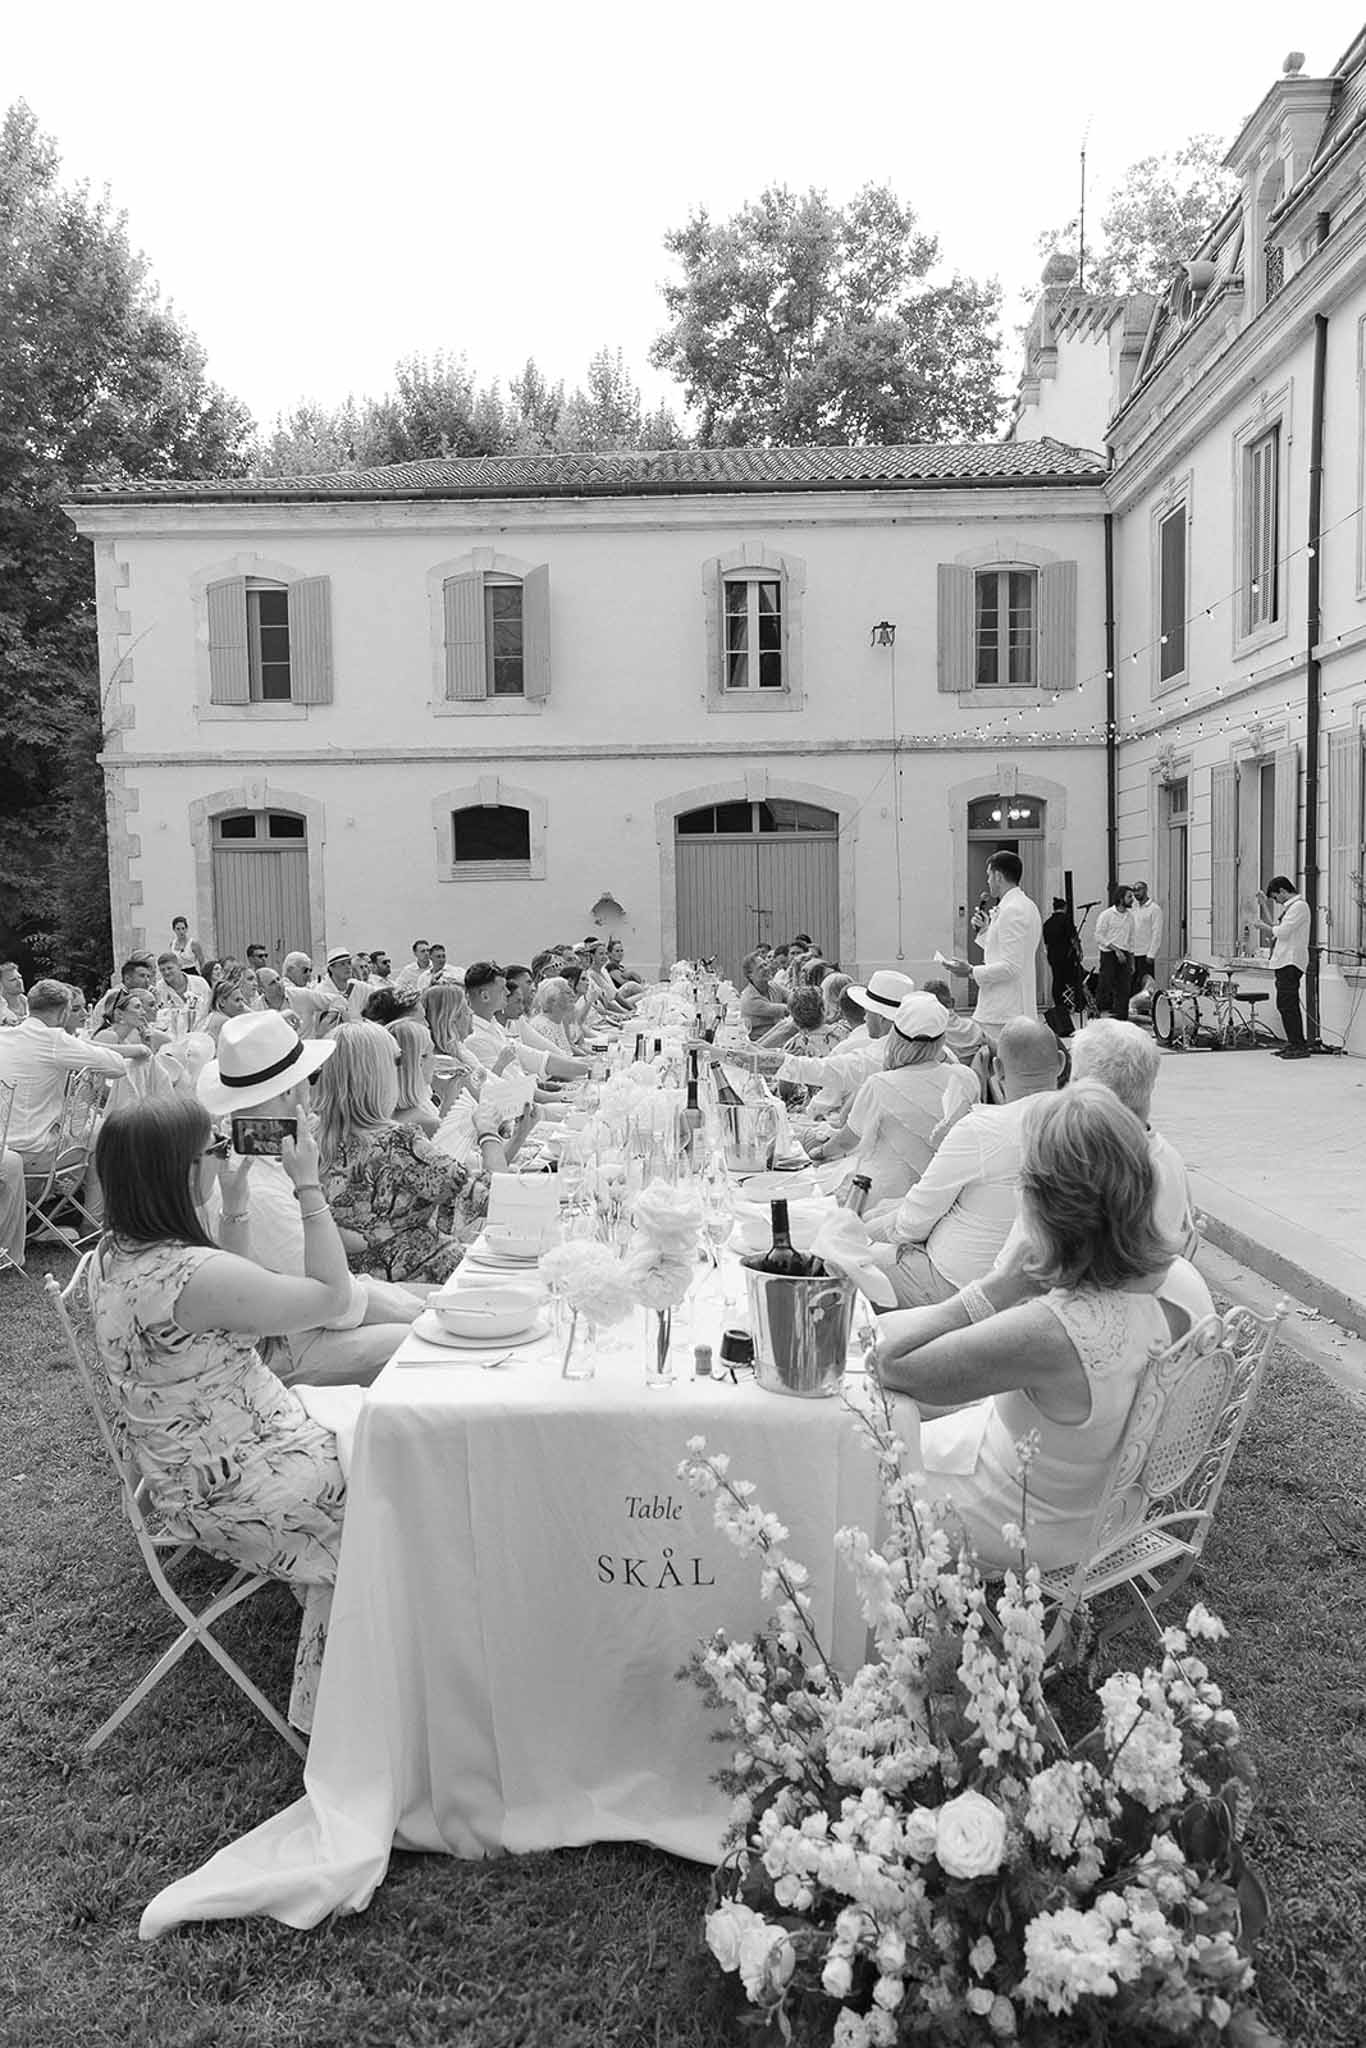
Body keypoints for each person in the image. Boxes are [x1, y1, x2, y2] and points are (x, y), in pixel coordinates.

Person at [87, 1092, 354, 1729]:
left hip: (193, 1468)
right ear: (180, 1173)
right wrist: (309, 1189)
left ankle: (348, 1650)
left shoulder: (114, 1253)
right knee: (400, 1483)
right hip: (237, 1487)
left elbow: (233, 1303)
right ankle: (354, 1692)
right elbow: (332, 1297)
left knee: (387, 1434)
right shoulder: (189, 1273)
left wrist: (234, 1205)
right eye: (213, 1150)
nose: (222, 1157)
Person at [871, 1081, 1214, 1572]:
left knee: (855, 1451)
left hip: (1032, 1520)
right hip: (1109, 1499)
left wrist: (994, 1288)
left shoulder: (1056, 1331)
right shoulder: (1183, 1281)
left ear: (1043, 1202)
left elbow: (889, 1362)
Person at [865, 1018, 1065, 1308]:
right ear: (1060, 1063)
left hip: (957, 1288)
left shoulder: (983, 1128)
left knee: (842, 1260)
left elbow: (913, 1223)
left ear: (997, 1070)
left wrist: (862, 1229)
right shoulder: (1087, 1124)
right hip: (1036, 1289)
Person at [312, 1021, 514, 1284]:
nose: (403, 1067)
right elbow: (500, 1198)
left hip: (358, 1287)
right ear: (377, 1073)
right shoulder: (398, 1143)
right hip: (429, 1282)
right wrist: (488, 1132)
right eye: (397, 1060)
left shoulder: (310, 1139)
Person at [807, 993, 967, 1205]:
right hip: (942, 1193)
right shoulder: (965, 1077)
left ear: (894, 1034)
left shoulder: (879, 1084)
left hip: (883, 1195)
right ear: (942, 1040)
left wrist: (818, 1153)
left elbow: (846, 1140)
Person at [0, 978, 137, 1173]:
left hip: (4, 1147)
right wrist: (87, 1047)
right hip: (35, 1151)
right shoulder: (54, 1039)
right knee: (103, 1130)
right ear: (64, 1012)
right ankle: (94, 1204)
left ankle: (66, 1189)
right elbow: (117, 1066)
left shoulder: (4, 1035)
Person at [770, 968, 914, 1123]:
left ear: (881, 1018)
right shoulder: (910, 1050)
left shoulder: (873, 1054)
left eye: (868, 1012)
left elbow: (826, 1077)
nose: (865, 1018)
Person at [942, 850, 1043, 1039]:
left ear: (998, 876)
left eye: (988, 875)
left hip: (1004, 1010)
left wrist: (971, 971)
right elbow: (1002, 950)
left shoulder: (1013, 910)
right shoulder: (1025, 905)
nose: (987, 881)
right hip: (1010, 1007)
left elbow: (1012, 967)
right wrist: (984, 930)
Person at [1255, 875, 1311, 1060]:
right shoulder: (1291, 908)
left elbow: (1281, 932)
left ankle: (1298, 1045)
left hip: (1291, 961)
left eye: (1275, 897)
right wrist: (1263, 904)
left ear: (1283, 891)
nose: (1276, 902)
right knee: (1285, 1004)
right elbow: (1277, 927)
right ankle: (1293, 1042)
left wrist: (1263, 927)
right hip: (1284, 961)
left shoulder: (1299, 907)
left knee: (1288, 1005)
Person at [390, 1015, 441, 1135]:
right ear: (416, 1063)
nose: (434, 1060)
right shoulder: (424, 1121)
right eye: (428, 1054)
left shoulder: (377, 1114)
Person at [1094, 884, 1136, 1019]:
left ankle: (1121, 1017)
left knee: (1124, 987)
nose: (1132, 899)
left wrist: (1132, 961)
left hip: (1125, 953)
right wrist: (1116, 950)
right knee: (1105, 984)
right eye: (1129, 897)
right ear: (1120, 898)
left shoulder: (1130, 916)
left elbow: (1131, 940)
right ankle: (1100, 1014)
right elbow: (1098, 935)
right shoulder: (1106, 915)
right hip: (1109, 953)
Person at [154, 952, 211, 1035]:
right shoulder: (159, 989)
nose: (166, 972)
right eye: (162, 970)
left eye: (169, 968)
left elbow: (209, 1007)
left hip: (202, 1031)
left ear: (179, 966)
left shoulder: (200, 983)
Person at [1041, 898, 1081, 1017]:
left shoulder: (1047, 923)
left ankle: (1059, 1005)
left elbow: (1046, 943)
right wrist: (1079, 950)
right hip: (1067, 955)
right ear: (1065, 907)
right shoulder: (1066, 920)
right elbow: (1073, 938)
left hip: (1053, 956)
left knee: (1057, 980)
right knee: (1075, 979)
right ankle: (1078, 1004)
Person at [739, 950, 788, 1041]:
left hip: (778, 1039)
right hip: (760, 1044)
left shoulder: (773, 986)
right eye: (760, 967)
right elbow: (787, 1010)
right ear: (750, 975)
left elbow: (792, 997)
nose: (766, 969)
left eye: (765, 964)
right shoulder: (750, 999)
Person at [1129, 881, 1164, 989]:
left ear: (1145, 890)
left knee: (1146, 985)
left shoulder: (1154, 909)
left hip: (1145, 954)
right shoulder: (1134, 909)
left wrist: (1152, 953)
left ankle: (1147, 1006)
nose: (1136, 893)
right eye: (1134, 890)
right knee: (1133, 985)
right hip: (1133, 953)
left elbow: (1157, 932)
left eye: (1138, 889)